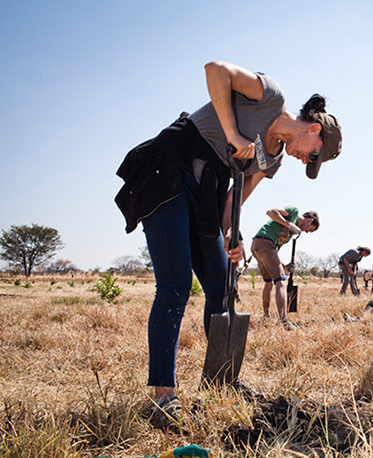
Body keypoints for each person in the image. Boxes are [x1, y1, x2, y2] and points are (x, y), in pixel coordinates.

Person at [114, 61, 342, 430]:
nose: (307, 161)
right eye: (314, 154)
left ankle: (224, 382)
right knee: (174, 287)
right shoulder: (270, 97)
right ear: (314, 129)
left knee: (222, 290)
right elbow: (216, 70)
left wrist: (231, 236)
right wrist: (235, 135)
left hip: (209, 193)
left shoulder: (274, 160)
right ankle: (162, 396)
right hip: (172, 168)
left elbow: (236, 198)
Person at [251, 207, 319, 328]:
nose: (307, 232)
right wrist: (289, 224)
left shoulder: (288, 237)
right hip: (264, 242)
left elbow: (274, 253)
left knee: (269, 283)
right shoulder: (294, 213)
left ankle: (266, 316)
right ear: (310, 220)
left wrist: (286, 267)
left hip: (259, 246)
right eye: (310, 229)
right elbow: (270, 212)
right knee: (281, 282)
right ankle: (284, 321)